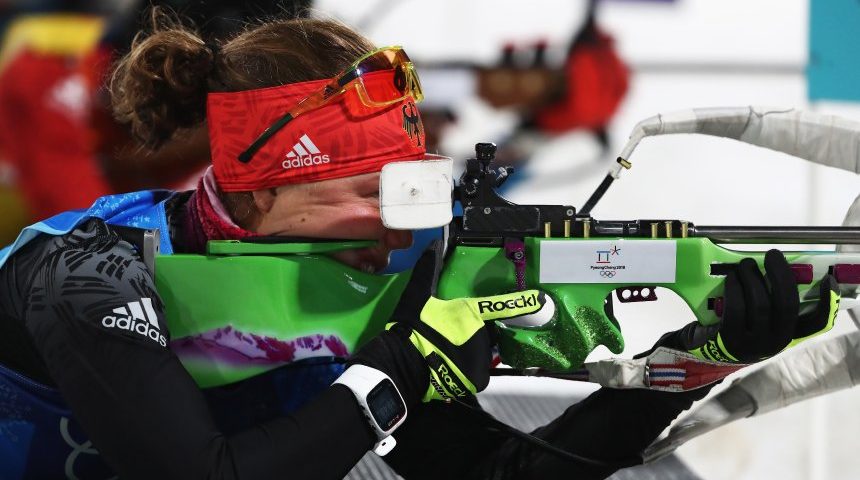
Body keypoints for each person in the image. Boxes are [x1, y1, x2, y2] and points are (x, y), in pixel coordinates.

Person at [0, 11, 839, 480]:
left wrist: (691, 361)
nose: (402, 228)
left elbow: (505, 475)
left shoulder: (359, 290)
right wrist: (400, 372)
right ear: (259, 192)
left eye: (410, 191)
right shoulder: (88, 274)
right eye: (371, 193)